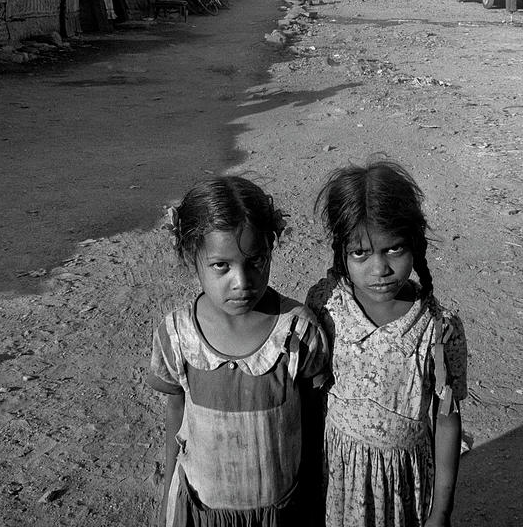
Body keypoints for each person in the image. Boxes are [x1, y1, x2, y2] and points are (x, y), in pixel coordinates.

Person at [149, 176, 331, 527]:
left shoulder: (296, 332)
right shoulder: (177, 335)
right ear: (191, 256)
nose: (243, 281)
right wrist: (170, 491)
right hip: (204, 511)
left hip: (281, 511)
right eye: (222, 266)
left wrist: (313, 496)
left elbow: (312, 419)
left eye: (256, 261)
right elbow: (176, 413)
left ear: (271, 250)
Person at [306, 158, 468, 527]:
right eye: (360, 253)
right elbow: (311, 398)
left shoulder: (437, 330)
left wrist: (441, 510)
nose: (379, 269)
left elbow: (446, 421)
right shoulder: (326, 306)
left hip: (405, 491)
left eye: (394, 249)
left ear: (415, 243)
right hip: (338, 483)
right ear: (342, 251)